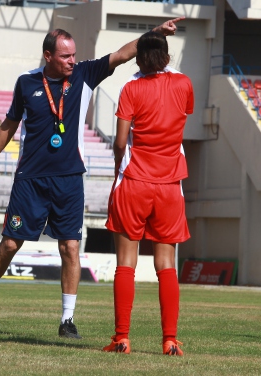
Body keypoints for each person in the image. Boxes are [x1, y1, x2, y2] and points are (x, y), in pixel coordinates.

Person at [0, 18, 184, 339]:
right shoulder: (27, 83)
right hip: (30, 178)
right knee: (11, 243)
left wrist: (155, 33)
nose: (72, 61)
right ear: (48, 56)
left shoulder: (84, 74)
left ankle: (67, 319)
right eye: (65, 56)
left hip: (70, 178)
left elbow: (125, 53)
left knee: (70, 247)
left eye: (74, 55)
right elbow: (9, 125)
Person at [101, 31, 193, 356]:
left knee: (126, 262)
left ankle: (121, 338)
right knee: (166, 264)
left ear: (138, 58)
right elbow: (182, 116)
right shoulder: (184, 84)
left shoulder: (131, 88)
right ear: (167, 57)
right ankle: (170, 339)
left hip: (135, 182)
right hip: (170, 185)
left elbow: (120, 142)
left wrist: (118, 170)